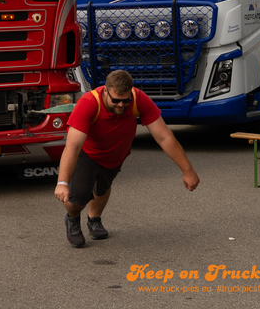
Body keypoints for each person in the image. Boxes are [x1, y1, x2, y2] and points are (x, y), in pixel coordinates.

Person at [55, 70, 200, 247]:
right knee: (77, 199)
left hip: (116, 155)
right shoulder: (88, 103)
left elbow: (164, 137)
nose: (121, 105)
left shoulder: (138, 99)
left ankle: (94, 220)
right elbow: (72, 146)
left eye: (125, 100)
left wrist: (188, 170)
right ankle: (73, 218)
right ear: (106, 91)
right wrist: (62, 182)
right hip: (89, 154)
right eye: (116, 100)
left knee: (102, 188)